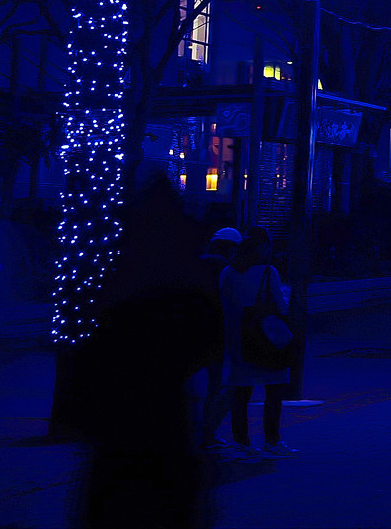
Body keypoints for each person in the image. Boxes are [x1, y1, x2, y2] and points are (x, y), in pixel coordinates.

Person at [73, 166, 221, 527]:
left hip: (121, 442)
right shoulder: (183, 290)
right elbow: (206, 342)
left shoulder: (122, 289)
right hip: (164, 434)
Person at [220, 226, 294, 459]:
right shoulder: (267, 272)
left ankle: (241, 442)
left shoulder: (227, 272)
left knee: (241, 393)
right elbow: (281, 307)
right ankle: (272, 441)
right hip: (267, 339)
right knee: (273, 391)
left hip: (238, 341)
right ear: (263, 247)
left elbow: (225, 307)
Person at [191, 228, 241, 451]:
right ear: (231, 248)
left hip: (192, 332)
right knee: (220, 386)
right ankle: (208, 433)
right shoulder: (225, 269)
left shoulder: (196, 263)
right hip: (217, 334)